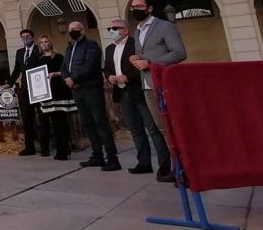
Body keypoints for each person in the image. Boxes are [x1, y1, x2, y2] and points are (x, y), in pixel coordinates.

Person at [103, 20, 171, 180]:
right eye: (109, 28)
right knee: (135, 129)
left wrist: (128, 77)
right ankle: (144, 162)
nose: (111, 31)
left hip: (139, 90)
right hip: (122, 93)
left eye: (115, 28)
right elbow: (107, 68)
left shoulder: (136, 45)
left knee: (153, 129)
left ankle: (165, 165)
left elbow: (141, 67)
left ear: (125, 30)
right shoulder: (109, 48)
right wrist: (109, 76)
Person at [128, 0, 186, 181]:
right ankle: (176, 168)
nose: (136, 9)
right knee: (162, 129)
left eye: (140, 6)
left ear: (149, 8)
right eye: (133, 7)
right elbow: (144, 54)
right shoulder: (137, 31)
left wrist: (150, 62)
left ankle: (184, 169)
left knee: (172, 127)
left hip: (163, 84)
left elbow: (179, 53)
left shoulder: (164, 26)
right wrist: (136, 59)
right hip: (147, 85)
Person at [61, 21, 120, 171]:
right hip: (77, 90)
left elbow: (90, 66)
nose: (72, 31)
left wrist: (74, 79)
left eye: (75, 29)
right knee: (88, 123)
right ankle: (97, 155)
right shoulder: (70, 47)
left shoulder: (91, 45)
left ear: (82, 30)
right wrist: (67, 78)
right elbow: (64, 66)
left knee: (100, 122)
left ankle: (112, 158)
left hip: (91, 88)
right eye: (70, 29)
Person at [36, 35, 76, 160]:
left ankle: (65, 149)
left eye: (46, 41)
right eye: (42, 42)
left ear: (50, 42)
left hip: (59, 91)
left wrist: (55, 74)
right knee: (54, 122)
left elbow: (66, 71)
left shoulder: (59, 57)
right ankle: (59, 149)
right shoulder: (40, 60)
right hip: (48, 93)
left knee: (62, 122)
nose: (44, 44)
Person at [7, 28, 40, 156]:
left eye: (28, 36)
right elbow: (17, 70)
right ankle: (29, 147)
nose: (25, 39)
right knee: (26, 118)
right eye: (23, 37)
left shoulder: (39, 50)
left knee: (41, 117)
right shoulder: (20, 52)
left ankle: (45, 147)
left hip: (38, 87)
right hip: (25, 88)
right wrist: (9, 83)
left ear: (32, 37)